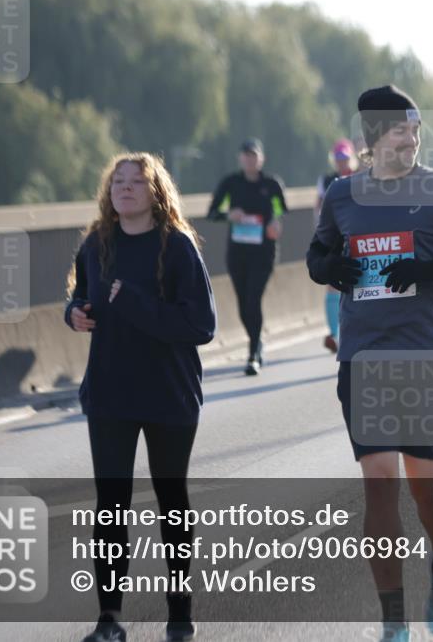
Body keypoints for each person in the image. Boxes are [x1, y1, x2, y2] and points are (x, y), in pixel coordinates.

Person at [307, 85, 433, 641]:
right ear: (373, 138)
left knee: (427, 493)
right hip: (363, 359)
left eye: (417, 128)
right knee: (378, 485)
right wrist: (332, 270)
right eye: (401, 129)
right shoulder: (344, 195)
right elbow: (316, 255)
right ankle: (393, 621)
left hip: (424, 359)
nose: (412, 138)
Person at [65, 152, 217, 642]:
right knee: (110, 506)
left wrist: (129, 300)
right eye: (117, 181)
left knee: (171, 500)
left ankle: (179, 614)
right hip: (110, 392)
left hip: (168, 394)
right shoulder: (96, 243)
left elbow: (201, 326)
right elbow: (83, 293)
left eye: (135, 181)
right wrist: (74, 313)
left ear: (156, 192)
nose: (124, 188)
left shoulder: (177, 249)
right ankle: (109, 620)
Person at [207, 138, 288, 375]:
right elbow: (212, 212)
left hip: (263, 253)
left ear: (261, 158)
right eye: (246, 155)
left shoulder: (271, 184)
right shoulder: (231, 184)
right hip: (238, 253)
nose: (250, 159)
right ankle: (257, 341)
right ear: (240, 158)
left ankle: (253, 353)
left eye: (254, 155)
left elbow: (280, 208)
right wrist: (229, 215)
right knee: (243, 305)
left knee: (253, 299)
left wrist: (275, 221)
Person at [316, 138, 358, 353]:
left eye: (345, 158)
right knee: (332, 283)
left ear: (352, 157)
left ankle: (355, 329)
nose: (342, 162)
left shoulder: (361, 177)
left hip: (358, 237)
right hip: (335, 238)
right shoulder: (326, 180)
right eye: (338, 158)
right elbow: (319, 209)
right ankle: (335, 333)